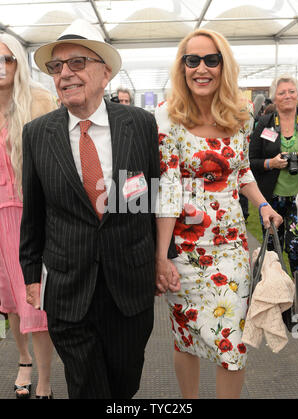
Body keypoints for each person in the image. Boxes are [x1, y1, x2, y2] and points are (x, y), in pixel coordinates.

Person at [19, 19, 177, 399]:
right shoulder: (38, 133)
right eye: (57, 67)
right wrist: (30, 273)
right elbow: (34, 210)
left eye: (77, 63)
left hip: (129, 284)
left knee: (124, 383)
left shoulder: (139, 124)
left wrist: (162, 256)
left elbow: (153, 196)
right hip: (69, 287)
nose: (65, 74)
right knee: (86, 386)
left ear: (105, 73)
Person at [155, 28, 282, 399]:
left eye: (211, 59)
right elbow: (167, 190)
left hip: (230, 248)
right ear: (182, 67)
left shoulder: (240, 117)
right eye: (191, 60)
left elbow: (242, 171)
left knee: (233, 344)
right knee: (185, 336)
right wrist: (161, 257)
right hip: (185, 248)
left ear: (223, 66)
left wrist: (262, 203)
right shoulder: (168, 118)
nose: (201, 68)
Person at [0, 34, 56, 399]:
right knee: (9, 302)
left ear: (19, 62)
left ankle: (47, 382)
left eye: (8, 59)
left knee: (34, 300)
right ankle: (23, 361)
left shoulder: (38, 99)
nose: (1, 67)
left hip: (27, 215)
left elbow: (54, 161)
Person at [249, 74, 298, 277]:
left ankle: (297, 294)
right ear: (274, 98)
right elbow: (250, 160)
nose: (287, 96)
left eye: (291, 91)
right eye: (282, 93)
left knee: (297, 249)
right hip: (272, 198)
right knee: (272, 250)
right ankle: (276, 295)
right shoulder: (265, 122)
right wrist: (271, 163)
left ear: (297, 95)